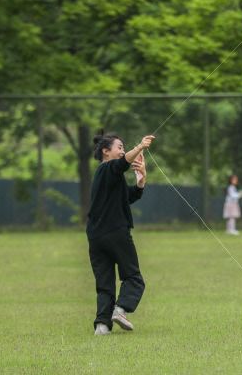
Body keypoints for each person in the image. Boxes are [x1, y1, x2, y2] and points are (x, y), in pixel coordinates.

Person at [87, 132, 155, 336]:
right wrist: (140, 147)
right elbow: (121, 164)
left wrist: (141, 181)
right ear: (106, 152)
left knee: (105, 283)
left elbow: (127, 197)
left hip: (96, 236)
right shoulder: (107, 168)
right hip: (115, 232)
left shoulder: (108, 177)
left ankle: (102, 325)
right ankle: (121, 310)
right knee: (134, 278)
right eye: (119, 147)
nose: (123, 151)